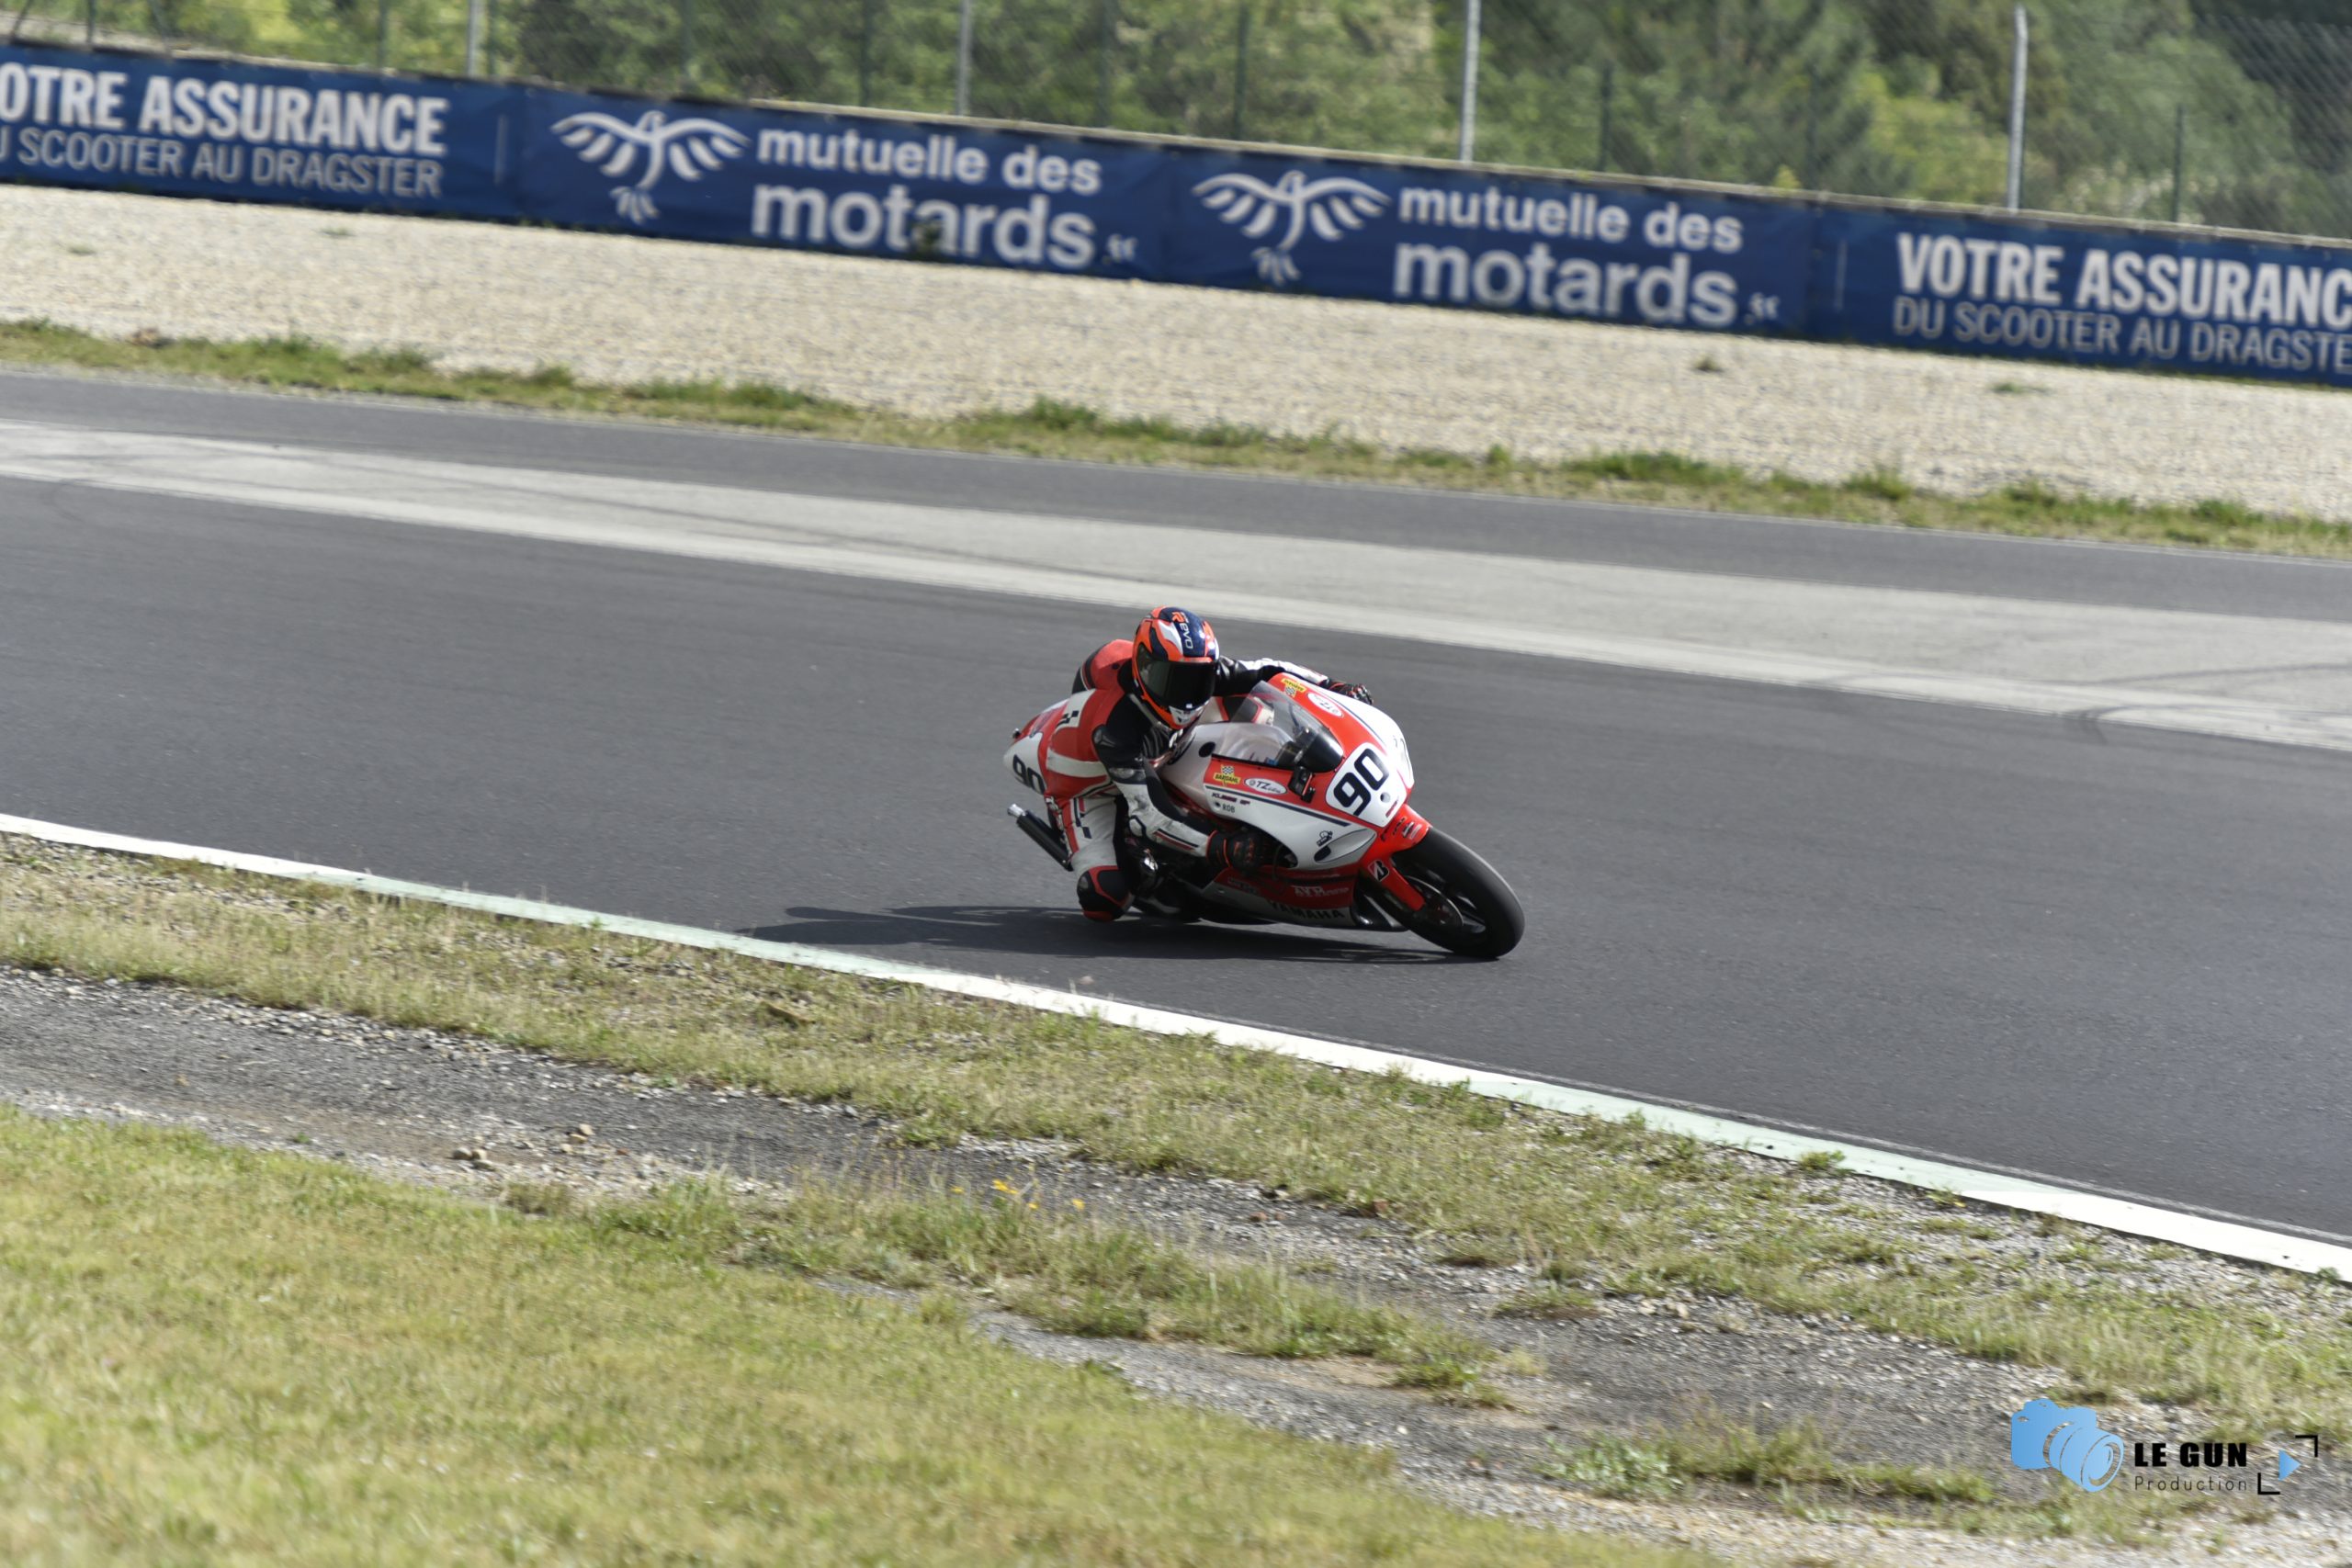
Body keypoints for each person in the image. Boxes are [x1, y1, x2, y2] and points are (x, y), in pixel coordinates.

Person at [1043, 606, 1371, 922]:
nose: (1186, 692)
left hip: (1169, 748)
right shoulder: (1115, 730)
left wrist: (1332, 687)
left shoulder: (1195, 672)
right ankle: (1140, 858)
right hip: (1094, 789)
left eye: (1197, 678)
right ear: (1145, 669)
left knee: (1261, 715)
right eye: (1173, 679)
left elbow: (1270, 672)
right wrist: (1221, 846)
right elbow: (1151, 813)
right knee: (1106, 897)